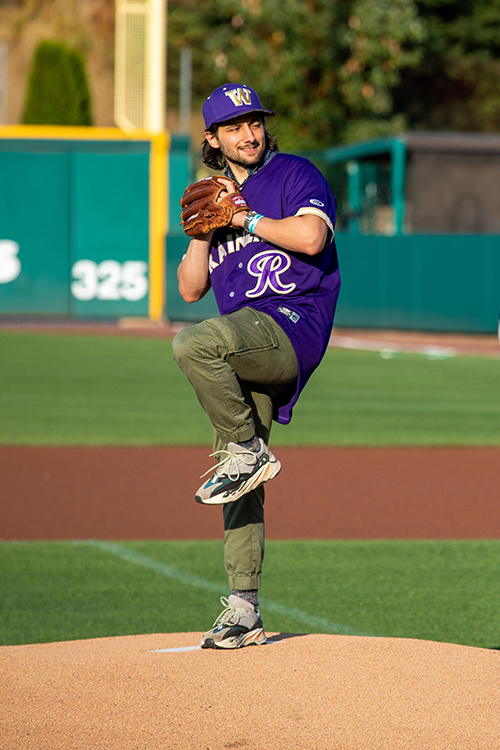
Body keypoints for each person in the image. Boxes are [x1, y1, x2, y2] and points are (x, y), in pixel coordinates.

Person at [172, 83, 341, 649]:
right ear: (213, 139)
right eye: (236, 126)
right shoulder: (211, 196)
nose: (250, 133)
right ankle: (244, 609)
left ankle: (248, 450)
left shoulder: (294, 174)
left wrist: (244, 220)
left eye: (255, 122)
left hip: (291, 321)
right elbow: (192, 287)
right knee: (236, 482)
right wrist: (202, 231)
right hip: (245, 339)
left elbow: (312, 238)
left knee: (192, 345)